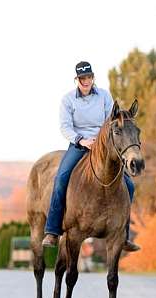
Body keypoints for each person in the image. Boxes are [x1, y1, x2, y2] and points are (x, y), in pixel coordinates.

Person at [42, 61, 140, 252]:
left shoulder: (104, 95)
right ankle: (52, 231)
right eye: (82, 78)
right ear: (76, 79)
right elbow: (65, 127)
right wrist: (81, 140)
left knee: (128, 184)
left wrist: (101, 140)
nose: (86, 81)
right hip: (79, 144)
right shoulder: (68, 100)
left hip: (103, 144)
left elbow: (111, 119)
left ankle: (124, 235)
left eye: (88, 77)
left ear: (93, 78)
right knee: (61, 179)